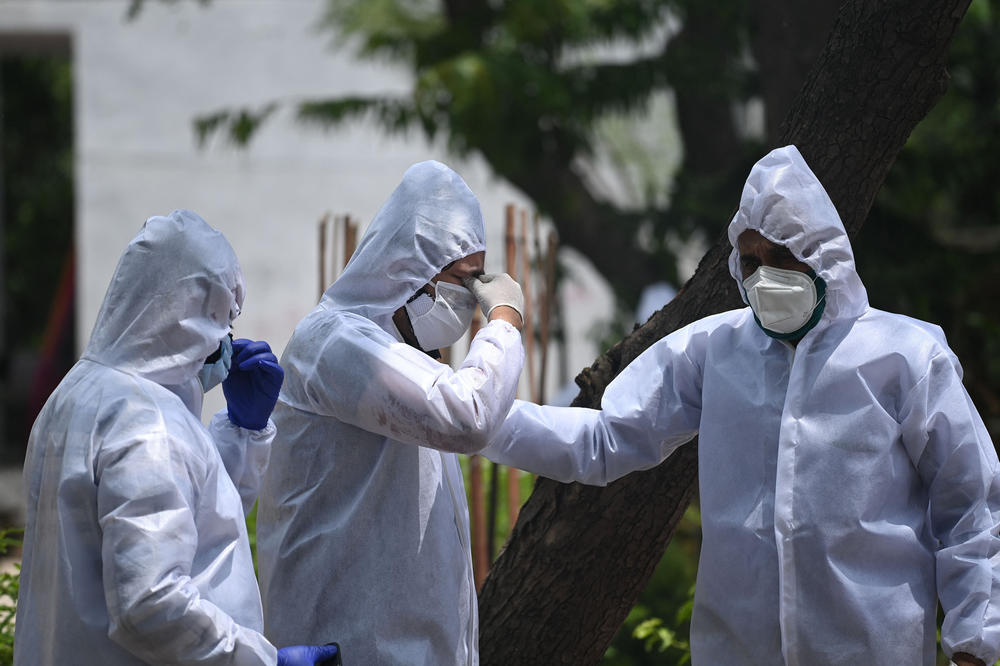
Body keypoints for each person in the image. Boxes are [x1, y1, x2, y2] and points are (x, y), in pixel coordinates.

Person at [481, 146, 1000, 666]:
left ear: (822, 254)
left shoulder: (905, 357)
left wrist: (974, 645)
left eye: (782, 255)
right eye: (751, 261)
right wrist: (474, 418)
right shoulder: (714, 350)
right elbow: (606, 438)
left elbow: (972, 506)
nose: (765, 276)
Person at [14, 210, 339, 666]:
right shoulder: (148, 424)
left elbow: (186, 524)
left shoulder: (74, 396)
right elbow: (149, 605)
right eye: (223, 320)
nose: (227, 340)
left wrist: (243, 432)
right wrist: (264, 661)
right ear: (190, 318)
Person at [256, 161, 525, 665]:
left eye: (479, 288)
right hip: (346, 646)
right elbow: (471, 418)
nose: (470, 302)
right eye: (462, 282)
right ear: (409, 272)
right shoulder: (335, 343)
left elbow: (491, 417)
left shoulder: (406, 363)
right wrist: (505, 320)